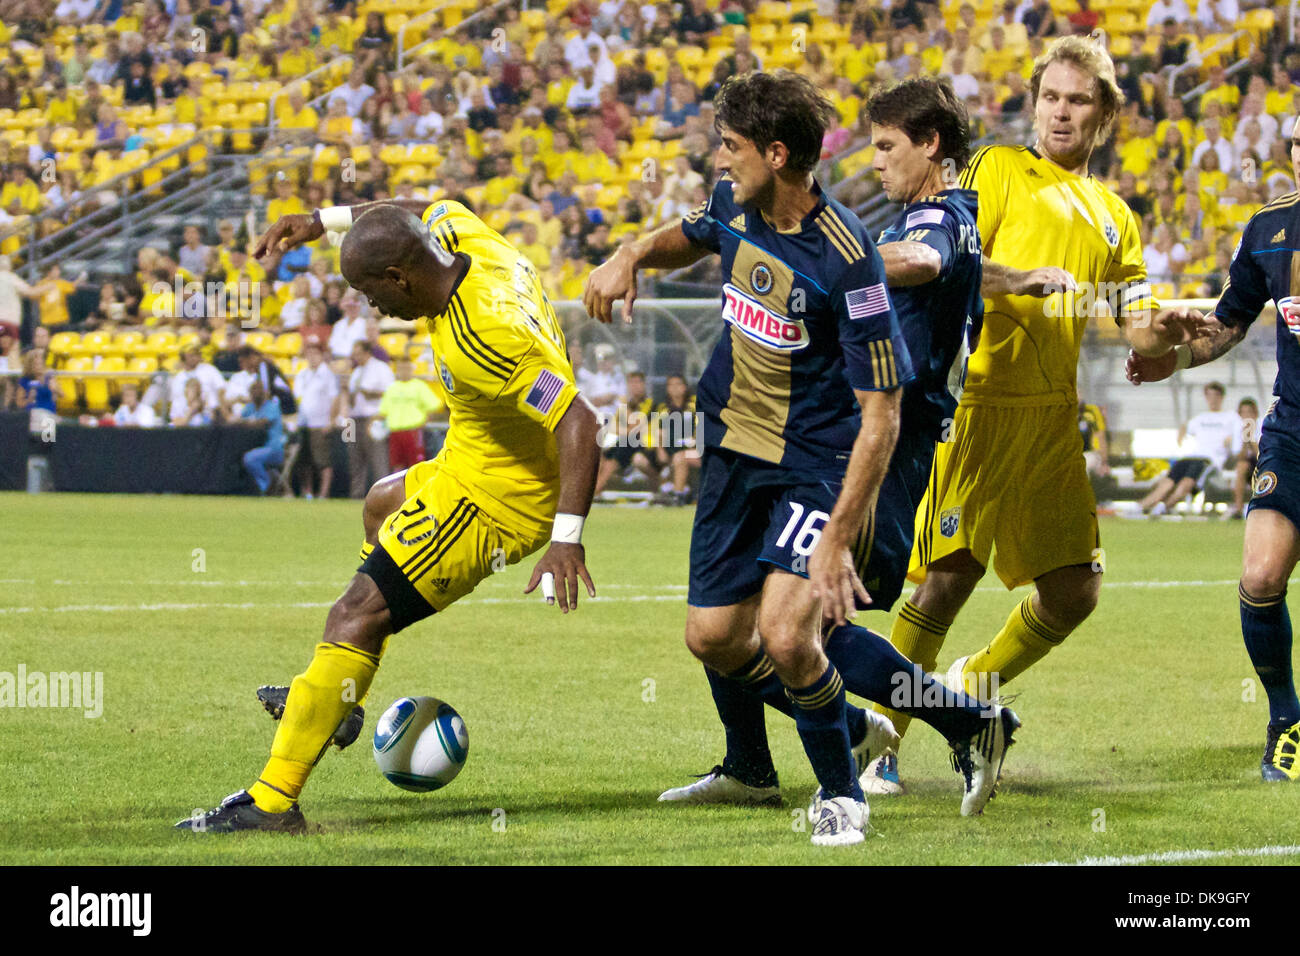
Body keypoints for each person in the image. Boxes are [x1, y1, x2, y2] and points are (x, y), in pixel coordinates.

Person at [584, 70, 1001, 843]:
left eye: (731, 148)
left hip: (816, 461)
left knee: (786, 631)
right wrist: (632, 255)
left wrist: (839, 534)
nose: (719, 161)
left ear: (777, 154)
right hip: (735, 453)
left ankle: (843, 792)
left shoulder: (850, 257)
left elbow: (882, 411)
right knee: (712, 637)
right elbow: (695, 232)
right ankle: (827, 734)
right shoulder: (732, 205)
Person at [179, 196, 602, 832]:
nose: (374, 308)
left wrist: (566, 539)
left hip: (496, 501)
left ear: (401, 277)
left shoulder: (486, 337)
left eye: (372, 294)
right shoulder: (463, 233)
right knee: (381, 501)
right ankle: (344, 706)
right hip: (466, 458)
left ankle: (272, 802)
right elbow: (416, 205)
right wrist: (321, 222)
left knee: (354, 615)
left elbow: (580, 421)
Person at [874, 36, 1211, 793]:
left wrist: (1172, 329)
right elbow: (956, 260)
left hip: (1055, 415)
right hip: (982, 403)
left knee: (1073, 593)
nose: (1061, 112)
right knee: (945, 580)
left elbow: (1137, 322)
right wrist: (1022, 280)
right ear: (1034, 104)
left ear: (1105, 114)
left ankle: (974, 687)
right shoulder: (995, 170)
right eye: (1050, 97)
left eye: (1078, 100)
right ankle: (879, 741)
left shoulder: (1116, 216)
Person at [1125, 121, 1300, 780]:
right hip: (1295, 429)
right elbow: (1229, 321)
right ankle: (1286, 721)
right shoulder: (1269, 231)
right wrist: (1175, 358)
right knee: (1260, 578)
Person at [1138, 382, 1240, 516]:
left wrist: (1230, 441)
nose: (1212, 399)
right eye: (1209, 395)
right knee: (1167, 483)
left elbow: (1239, 440)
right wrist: (1180, 436)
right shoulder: (1200, 418)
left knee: (1186, 483)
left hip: (1209, 461)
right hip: (1191, 457)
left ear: (1221, 397)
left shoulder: (1231, 417)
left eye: (1216, 395)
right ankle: (1139, 507)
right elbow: (1185, 427)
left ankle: (1162, 508)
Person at [593, 369, 658, 495]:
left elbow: (635, 428)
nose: (635, 386)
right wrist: (626, 429)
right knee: (603, 454)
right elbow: (613, 428)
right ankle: (594, 490)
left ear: (644, 385)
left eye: (638, 382)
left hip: (644, 445)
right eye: (631, 383)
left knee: (619, 452)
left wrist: (625, 416)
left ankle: (596, 490)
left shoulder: (649, 404)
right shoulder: (627, 405)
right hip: (626, 442)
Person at [344, 340, 395, 498]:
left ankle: (384, 496)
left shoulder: (381, 368)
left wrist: (370, 393)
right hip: (353, 419)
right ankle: (356, 494)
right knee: (354, 458)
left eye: (358, 353)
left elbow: (390, 392)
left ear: (367, 352)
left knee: (377, 457)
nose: (356, 357)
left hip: (374, 418)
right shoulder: (357, 371)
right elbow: (351, 397)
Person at [378, 356, 442, 471]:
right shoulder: (392, 388)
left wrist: (425, 420)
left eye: (407, 368)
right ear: (397, 370)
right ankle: (399, 488)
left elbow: (434, 405)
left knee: (416, 465)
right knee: (397, 465)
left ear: (411, 369)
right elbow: (383, 411)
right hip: (395, 433)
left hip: (413, 432)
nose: (404, 371)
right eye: (401, 369)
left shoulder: (419, 386)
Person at [293, 341, 339, 499]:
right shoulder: (302, 374)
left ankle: (323, 492)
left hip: (320, 423)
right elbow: (298, 397)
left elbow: (335, 398)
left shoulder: (327, 375)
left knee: (322, 460)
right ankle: (308, 491)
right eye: (309, 354)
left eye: (315, 354)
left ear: (321, 356)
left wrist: (331, 420)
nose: (312, 357)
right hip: (304, 422)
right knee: (304, 460)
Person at [237, 378, 286, 495]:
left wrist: (245, 422)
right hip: (256, 446)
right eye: (253, 390)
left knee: (250, 458)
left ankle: (266, 485)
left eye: (258, 389)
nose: (256, 393)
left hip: (274, 448)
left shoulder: (272, 407)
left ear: (265, 393)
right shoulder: (249, 408)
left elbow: (263, 422)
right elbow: (238, 420)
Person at [1227, 397, 1260, 520]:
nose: (1247, 416)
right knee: (1241, 466)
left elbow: (1260, 454)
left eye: (1249, 412)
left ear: (1255, 413)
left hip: (1263, 464)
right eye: (1244, 413)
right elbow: (1240, 457)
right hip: (1248, 466)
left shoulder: (1263, 426)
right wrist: (1244, 441)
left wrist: (1251, 438)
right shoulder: (1238, 430)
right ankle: (1238, 509)